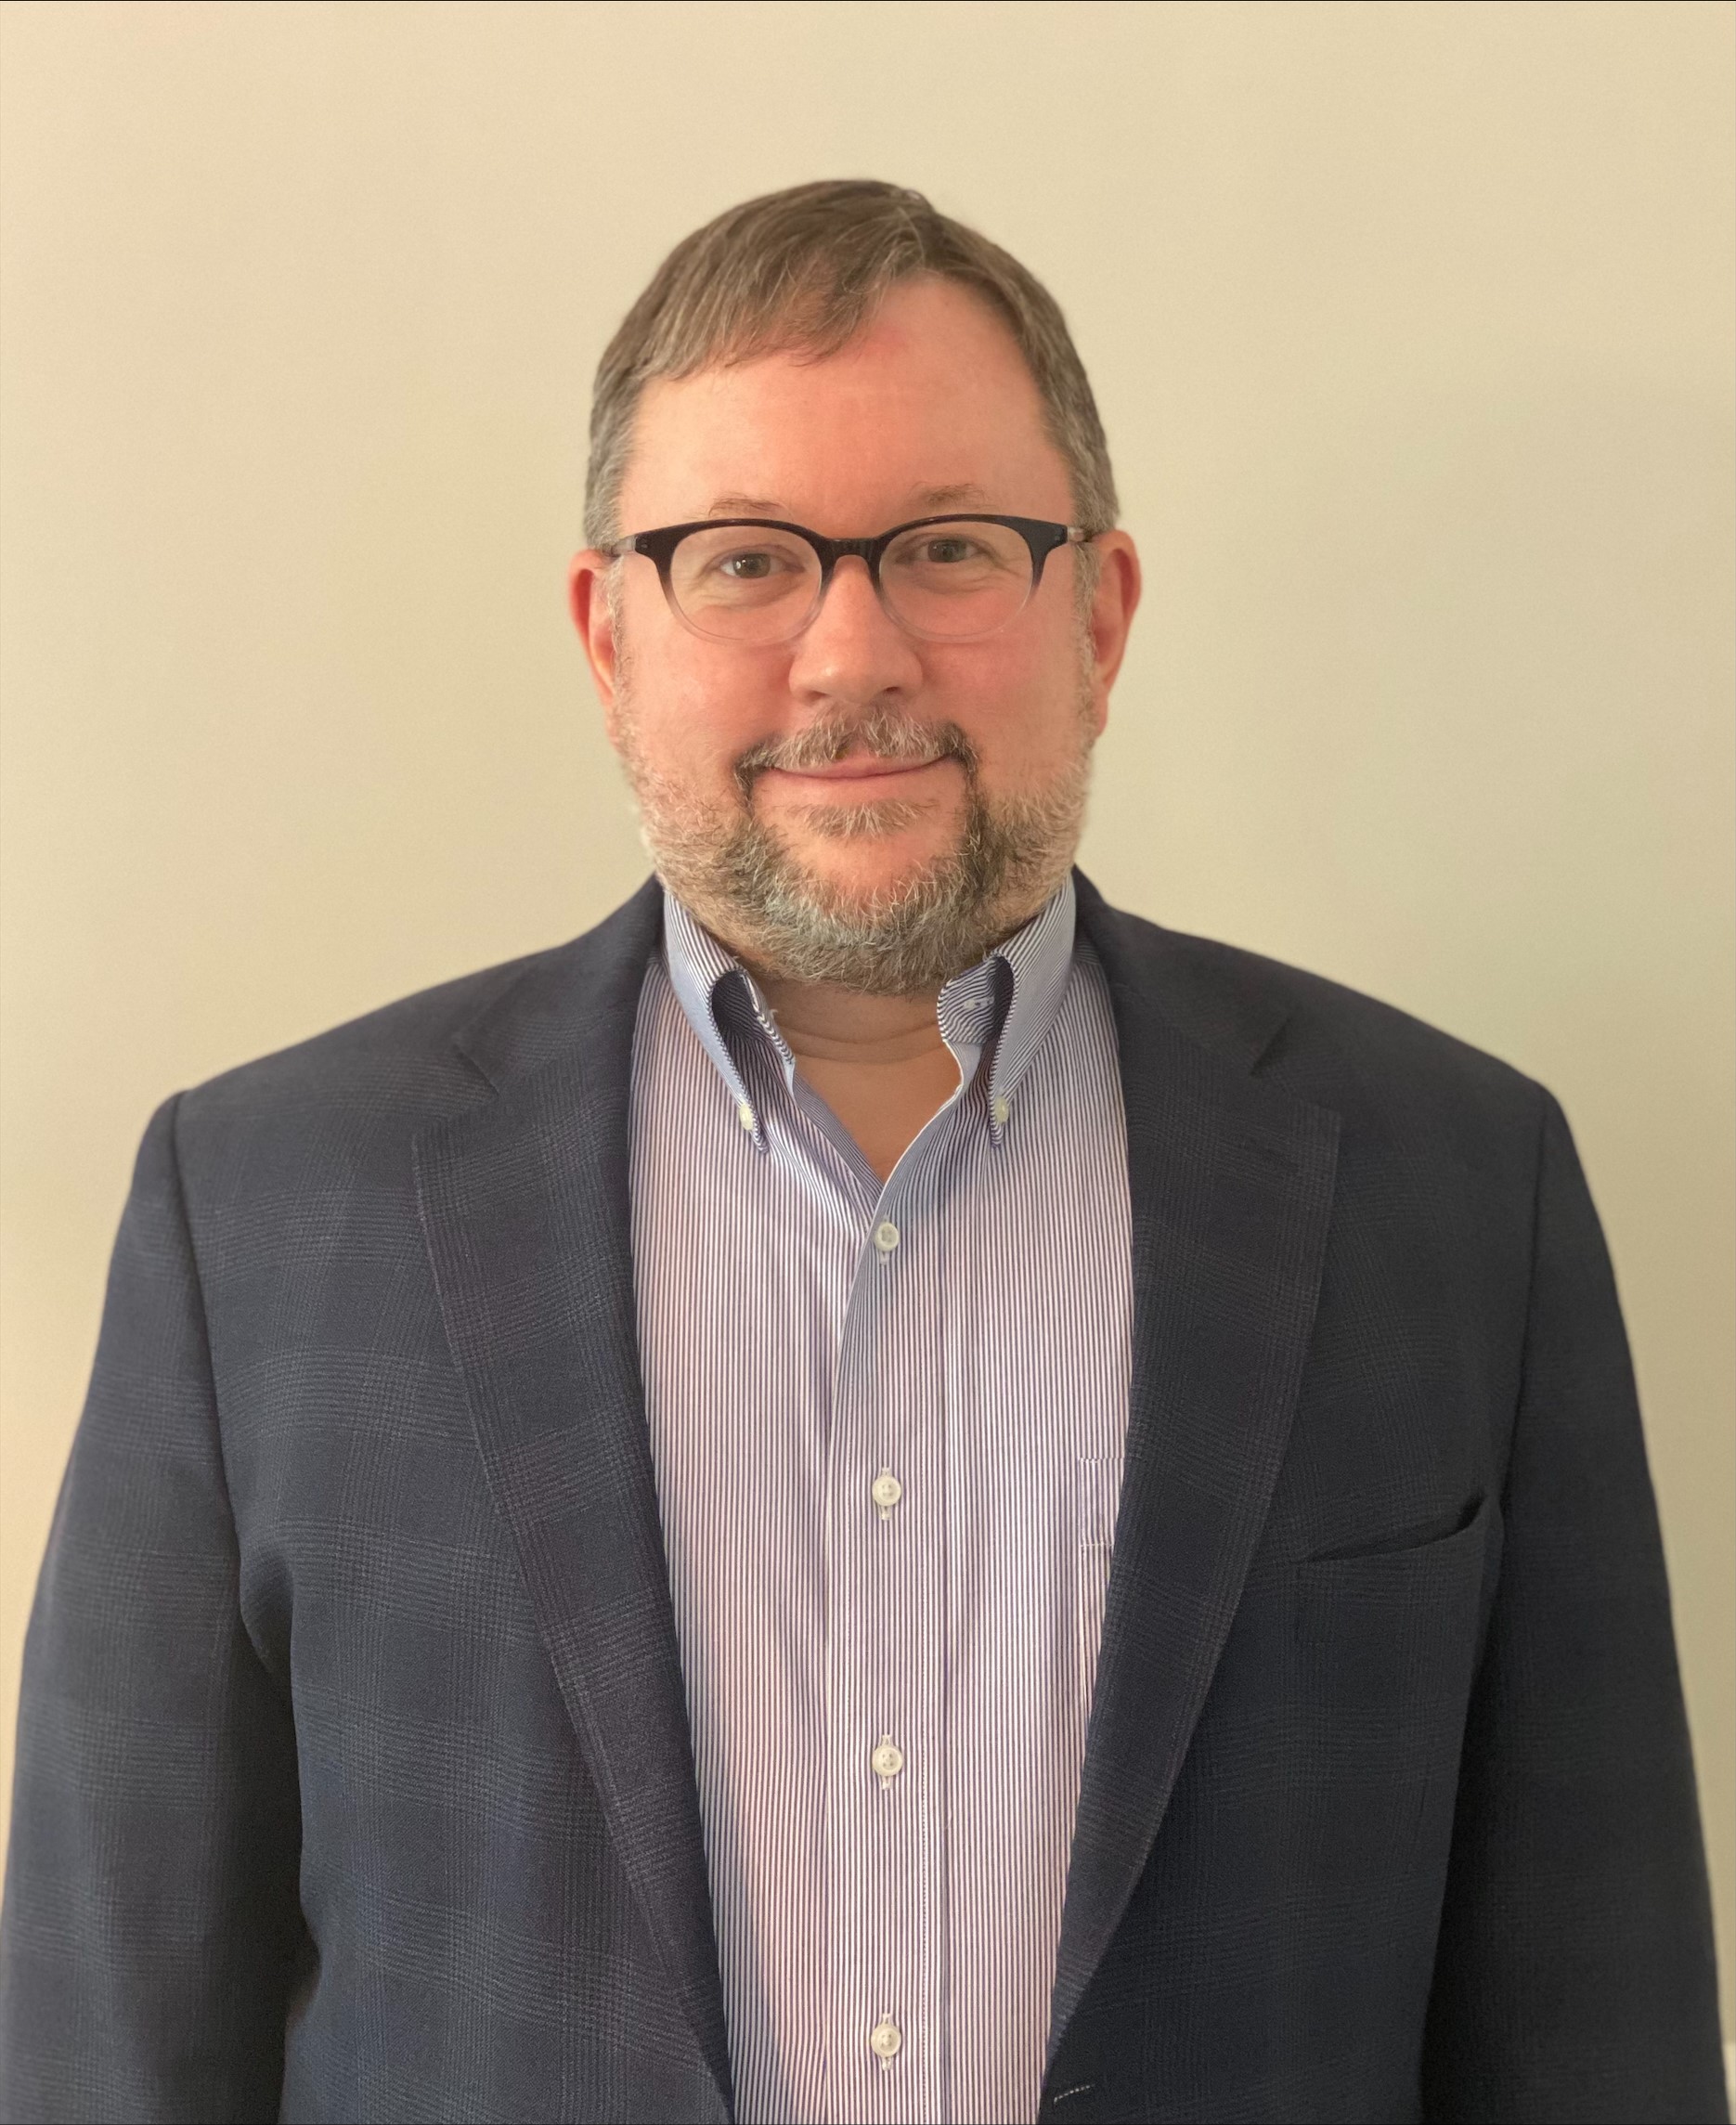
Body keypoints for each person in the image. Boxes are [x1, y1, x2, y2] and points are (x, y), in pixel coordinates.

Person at [0, 177, 1725, 2125]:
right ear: (606, 632)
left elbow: (1601, 2030)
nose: (849, 652)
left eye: (949, 547)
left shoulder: (1450, 1194)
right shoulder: (259, 1217)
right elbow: (107, 2037)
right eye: (742, 559)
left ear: (1100, 611)